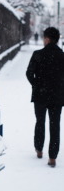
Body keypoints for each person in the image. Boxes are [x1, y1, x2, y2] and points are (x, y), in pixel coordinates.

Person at [26, 27, 64, 167]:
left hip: (40, 95)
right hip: (57, 96)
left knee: (40, 121)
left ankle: (39, 149)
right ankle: (52, 157)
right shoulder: (62, 56)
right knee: (55, 126)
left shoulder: (38, 54)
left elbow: (29, 73)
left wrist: (37, 85)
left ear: (47, 38)